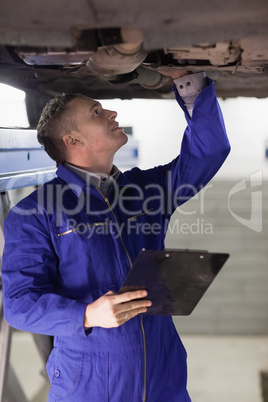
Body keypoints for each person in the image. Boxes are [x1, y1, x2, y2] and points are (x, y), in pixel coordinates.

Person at [1, 69, 230, 401]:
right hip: (90, 381)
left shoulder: (145, 190)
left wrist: (189, 82)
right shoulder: (35, 212)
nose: (112, 113)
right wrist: (87, 314)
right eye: (96, 112)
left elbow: (208, 153)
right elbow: (20, 305)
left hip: (163, 374)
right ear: (73, 140)